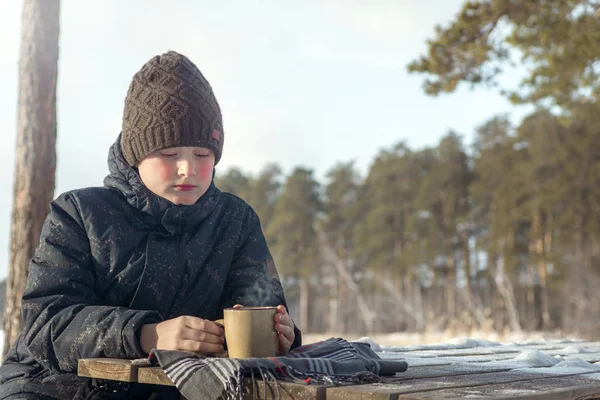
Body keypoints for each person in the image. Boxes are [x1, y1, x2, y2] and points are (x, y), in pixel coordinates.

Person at [0, 51, 301, 400]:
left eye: (202, 156)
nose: (187, 169)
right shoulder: (80, 212)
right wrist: (146, 334)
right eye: (170, 155)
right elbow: (46, 325)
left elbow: (257, 306)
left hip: (176, 389)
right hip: (55, 387)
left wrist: (282, 334)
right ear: (136, 153)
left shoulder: (234, 220)